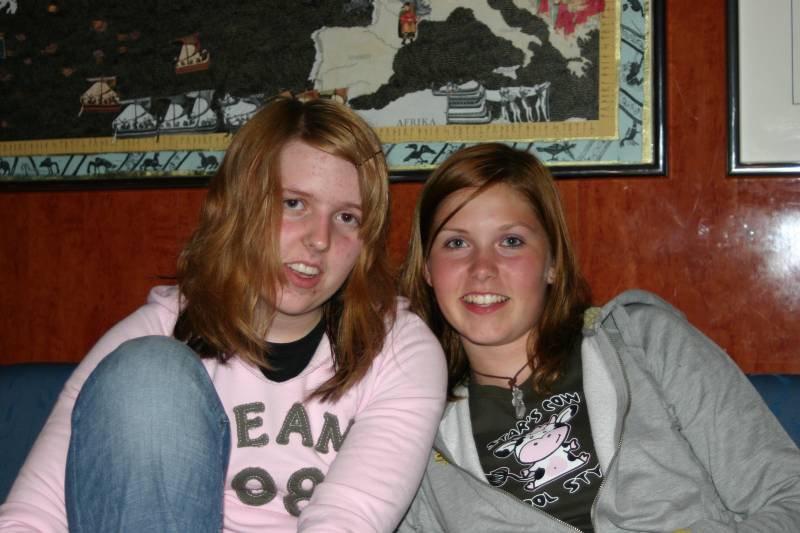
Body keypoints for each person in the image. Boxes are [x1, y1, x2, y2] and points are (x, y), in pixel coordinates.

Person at [0, 97, 447, 532]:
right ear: (241, 205)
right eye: (293, 203)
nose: (320, 239)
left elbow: (347, 521)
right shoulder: (161, 330)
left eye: (348, 217)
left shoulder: (398, 350)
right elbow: (32, 515)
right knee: (148, 370)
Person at [397, 143, 800, 532]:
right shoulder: (412, 426)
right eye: (456, 243)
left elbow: (789, 498)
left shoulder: (643, 342)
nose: (482, 268)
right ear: (428, 269)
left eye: (511, 241)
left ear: (553, 262)